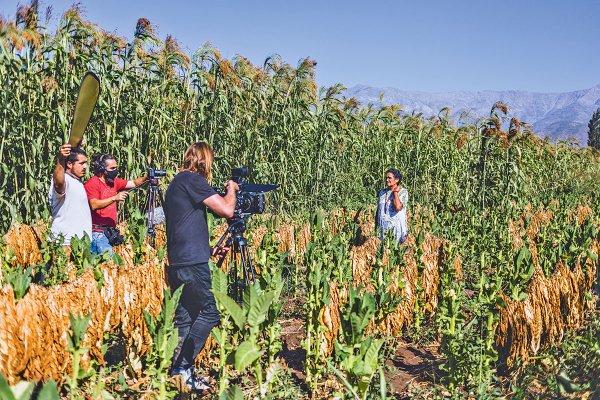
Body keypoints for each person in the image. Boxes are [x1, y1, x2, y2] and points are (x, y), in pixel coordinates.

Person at [164, 142, 239, 392]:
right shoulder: (193, 180)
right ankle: (183, 367)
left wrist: (208, 250)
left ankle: (180, 375)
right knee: (210, 312)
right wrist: (231, 189)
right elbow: (227, 210)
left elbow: (183, 224)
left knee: (185, 315)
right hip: (192, 263)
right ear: (205, 161)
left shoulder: (176, 183)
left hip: (180, 260)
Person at [84, 154, 147, 255]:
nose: (115, 171)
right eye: (112, 168)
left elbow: (134, 183)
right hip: (97, 232)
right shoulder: (92, 184)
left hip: (109, 231)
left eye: (116, 168)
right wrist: (115, 198)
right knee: (110, 262)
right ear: (102, 169)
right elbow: (94, 204)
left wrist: (148, 178)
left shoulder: (113, 182)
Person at [48, 143, 92, 245]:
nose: (85, 166)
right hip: (64, 243)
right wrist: (60, 160)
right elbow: (59, 184)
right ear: (69, 164)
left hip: (80, 243)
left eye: (86, 163)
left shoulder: (77, 181)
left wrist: (76, 146)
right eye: (81, 163)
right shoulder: (65, 180)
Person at [376, 168, 409, 244]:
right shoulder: (382, 192)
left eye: (389, 178)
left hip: (397, 231)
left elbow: (398, 207)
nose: (387, 180)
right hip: (382, 230)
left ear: (397, 180)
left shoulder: (403, 192)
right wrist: (376, 228)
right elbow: (378, 211)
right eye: (386, 178)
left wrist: (395, 193)